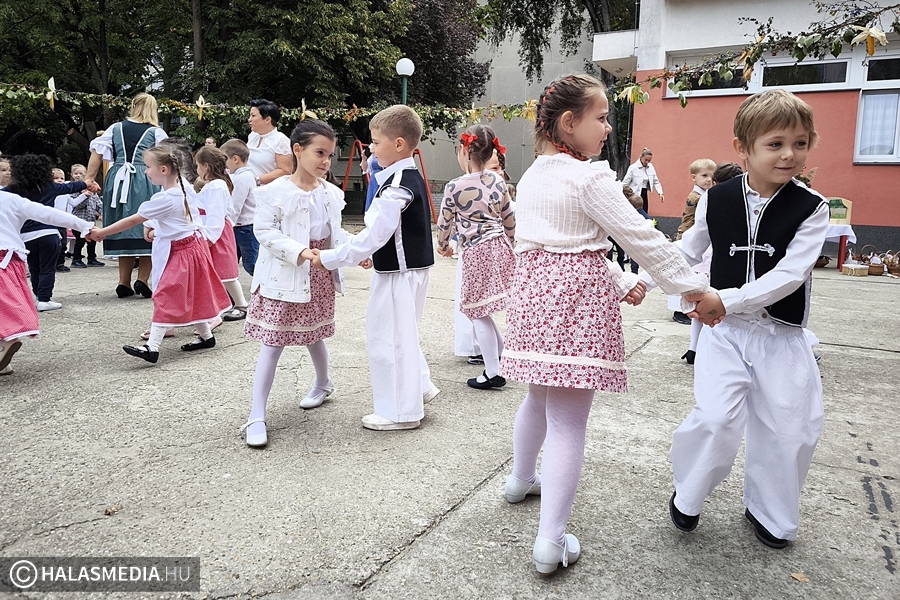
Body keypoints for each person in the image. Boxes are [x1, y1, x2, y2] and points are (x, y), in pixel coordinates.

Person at [499, 74, 709, 575]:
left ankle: (520, 478)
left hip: (531, 297)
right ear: (569, 124)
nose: (609, 128)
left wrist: (618, 280)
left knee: (539, 396)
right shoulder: (590, 177)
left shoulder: (532, 175)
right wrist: (694, 289)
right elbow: (641, 237)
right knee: (569, 421)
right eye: (601, 117)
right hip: (575, 305)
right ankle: (550, 542)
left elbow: (560, 241)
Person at [668, 89, 829, 550]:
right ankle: (689, 492)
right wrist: (650, 276)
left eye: (800, 143)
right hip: (726, 334)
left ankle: (770, 512)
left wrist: (726, 297)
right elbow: (686, 250)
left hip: (781, 335)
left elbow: (791, 274)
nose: (789, 154)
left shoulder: (811, 207)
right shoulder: (715, 200)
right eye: (775, 143)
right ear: (743, 148)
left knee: (789, 429)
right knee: (716, 418)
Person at [314, 105, 440, 431]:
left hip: (400, 272)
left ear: (399, 144)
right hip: (409, 269)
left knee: (389, 338)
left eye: (375, 141)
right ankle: (420, 386)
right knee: (403, 333)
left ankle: (400, 412)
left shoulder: (397, 183)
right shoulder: (403, 175)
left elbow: (375, 234)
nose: (370, 148)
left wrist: (330, 257)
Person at [240, 120, 350, 447]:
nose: (326, 161)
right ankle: (256, 415)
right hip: (284, 275)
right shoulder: (273, 192)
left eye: (330, 155)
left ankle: (323, 383)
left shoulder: (331, 194)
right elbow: (265, 233)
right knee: (273, 342)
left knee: (313, 334)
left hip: (319, 274)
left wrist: (353, 251)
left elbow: (336, 233)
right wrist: (300, 251)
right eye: (320, 152)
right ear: (297, 150)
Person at [88, 146, 231, 363]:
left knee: (165, 294)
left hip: (184, 251)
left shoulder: (167, 197)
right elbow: (176, 216)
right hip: (192, 248)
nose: (145, 172)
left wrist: (102, 233)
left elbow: (133, 219)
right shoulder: (183, 187)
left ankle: (152, 347)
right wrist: (154, 226)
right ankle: (205, 336)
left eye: (148, 167)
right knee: (195, 292)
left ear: (163, 170)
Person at [437, 125, 516, 389]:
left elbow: (444, 222)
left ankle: (493, 371)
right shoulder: (499, 181)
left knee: (477, 311)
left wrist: (443, 245)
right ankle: (504, 356)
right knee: (485, 308)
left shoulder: (454, 187)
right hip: (500, 246)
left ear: (464, 151)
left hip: (476, 252)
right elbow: (509, 218)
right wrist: (511, 244)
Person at [0, 190, 97, 375]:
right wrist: (84, 226)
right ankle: (3, 362)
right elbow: (47, 213)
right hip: (11, 259)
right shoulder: (11, 199)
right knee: (7, 302)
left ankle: (6, 342)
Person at [86, 92, 168, 299]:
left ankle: (123, 282)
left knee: (124, 225)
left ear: (133, 106)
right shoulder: (156, 132)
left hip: (117, 177)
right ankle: (142, 280)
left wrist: (89, 180)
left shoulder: (115, 128)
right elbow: (166, 160)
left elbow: (96, 153)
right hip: (145, 177)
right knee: (147, 223)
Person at [7, 154, 98, 311]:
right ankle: (44, 299)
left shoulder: (12, 191)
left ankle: (38, 297)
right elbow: (74, 186)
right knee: (47, 268)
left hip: (25, 237)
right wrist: (88, 182)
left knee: (34, 268)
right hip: (48, 234)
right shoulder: (50, 187)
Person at [675, 162, 742, 364]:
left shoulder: (712, 197)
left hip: (710, 255)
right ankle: (696, 348)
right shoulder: (702, 199)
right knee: (706, 305)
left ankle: (696, 348)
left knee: (706, 305)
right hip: (706, 254)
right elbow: (696, 236)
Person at [193, 146, 247, 326]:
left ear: (206, 166)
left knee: (223, 272)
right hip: (214, 232)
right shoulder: (215, 185)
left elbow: (215, 215)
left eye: (198, 165)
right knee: (221, 273)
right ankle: (238, 304)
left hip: (215, 233)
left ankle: (233, 306)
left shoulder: (216, 186)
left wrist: (208, 237)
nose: (196, 170)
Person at [670, 158, 717, 325]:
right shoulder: (697, 197)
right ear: (693, 177)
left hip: (697, 239)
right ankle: (680, 310)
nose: (709, 179)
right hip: (688, 237)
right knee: (686, 276)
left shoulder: (705, 195)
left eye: (712, 176)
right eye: (704, 175)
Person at [220, 138, 260, 277]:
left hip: (244, 228)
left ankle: (265, 288)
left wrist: (226, 226)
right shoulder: (243, 176)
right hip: (240, 227)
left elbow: (235, 206)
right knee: (230, 262)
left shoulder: (242, 178)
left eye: (225, 160)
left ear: (235, 159)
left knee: (251, 263)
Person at [247, 99, 293, 186]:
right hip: (248, 189)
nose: (249, 119)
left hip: (267, 191)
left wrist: (257, 180)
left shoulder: (281, 141)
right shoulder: (252, 136)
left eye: (253, 116)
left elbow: (285, 171)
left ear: (267, 119)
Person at [67, 163, 105, 268]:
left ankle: (92, 258)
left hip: (90, 221)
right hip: (79, 221)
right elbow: (78, 205)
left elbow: (99, 204)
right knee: (80, 241)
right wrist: (85, 196)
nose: (78, 176)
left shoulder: (93, 193)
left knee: (92, 240)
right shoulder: (74, 190)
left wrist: (102, 213)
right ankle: (76, 259)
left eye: (81, 174)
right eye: (76, 173)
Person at [622, 148, 665, 212]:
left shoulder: (651, 167)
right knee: (635, 212)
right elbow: (625, 183)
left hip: (644, 193)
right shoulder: (633, 167)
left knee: (644, 211)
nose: (647, 162)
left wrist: (660, 193)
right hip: (634, 194)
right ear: (641, 157)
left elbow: (656, 181)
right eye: (646, 160)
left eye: (649, 160)